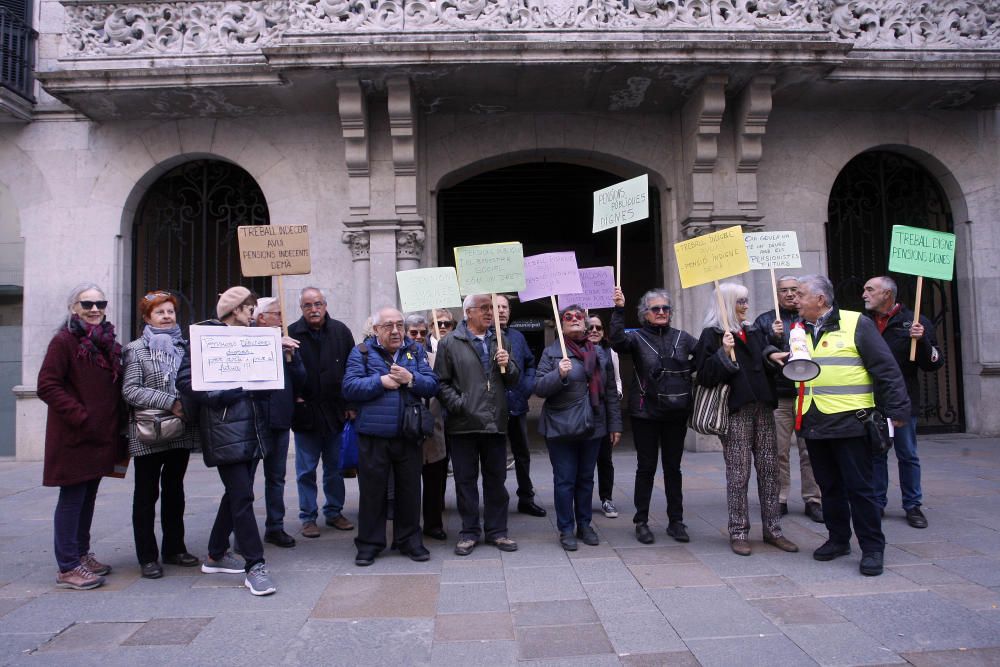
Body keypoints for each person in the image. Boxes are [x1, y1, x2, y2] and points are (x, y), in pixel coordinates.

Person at [794, 275, 909, 576]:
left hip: (851, 422)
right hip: (814, 420)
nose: (795, 299)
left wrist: (897, 409)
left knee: (860, 489)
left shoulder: (856, 323)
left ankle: (872, 548)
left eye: (801, 294)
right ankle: (838, 539)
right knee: (829, 487)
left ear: (820, 300)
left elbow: (886, 368)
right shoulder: (798, 329)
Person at [177, 286, 289, 596]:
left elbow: (266, 382)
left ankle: (215, 554)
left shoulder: (255, 338)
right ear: (235, 310)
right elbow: (185, 381)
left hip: (253, 427)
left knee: (236, 494)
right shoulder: (203, 338)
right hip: (225, 428)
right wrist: (220, 395)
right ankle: (255, 565)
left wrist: (280, 358)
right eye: (249, 307)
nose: (253, 312)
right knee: (242, 497)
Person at [695, 282, 798, 557]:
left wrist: (773, 351)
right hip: (736, 411)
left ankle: (773, 529)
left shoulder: (751, 330)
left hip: (763, 407)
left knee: (769, 470)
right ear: (727, 304)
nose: (745, 305)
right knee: (738, 474)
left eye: (746, 300)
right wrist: (722, 352)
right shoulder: (713, 334)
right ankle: (738, 531)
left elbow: (763, 357)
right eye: (740, 301)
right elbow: (704, 375)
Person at [38, 283, 125, 590]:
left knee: (87, 497)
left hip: (100, 436)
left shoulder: (106, 341)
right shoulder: (64, 341)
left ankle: (81, 554)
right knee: (72, 498)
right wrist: (80, 415)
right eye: (86, 304)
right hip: (75, 436)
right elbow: (47, 385)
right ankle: (67, 566)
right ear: (73, 308)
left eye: (100, 303)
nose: (94, 309)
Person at [343, 307, 439, 566]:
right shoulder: (361, 352)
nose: (396, 331)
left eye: (399, 325)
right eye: (388, 326)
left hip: (408, 434)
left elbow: (432, 384)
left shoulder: (415, 351)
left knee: (409, 491)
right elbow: (349, 387)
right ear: (375, 330)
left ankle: (409, 540)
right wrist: (380, 382)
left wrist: (411, 378)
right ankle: (369, 544)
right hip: (374, 435)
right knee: (372, 492)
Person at [434, 294, 521, 556]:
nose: (490, 313)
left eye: (492, 309)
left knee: (496, 480)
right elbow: (440, 383)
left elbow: (513, 380)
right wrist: (460, 404)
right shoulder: (450, 342)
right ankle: (469, 532)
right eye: (484, 308)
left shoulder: (500, 339)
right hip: (463, 424)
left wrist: (509, 366)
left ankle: (497, 531)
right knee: (465, 481)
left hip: (494, 422)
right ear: (468, 312)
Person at [122, 290, 200, 579]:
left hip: (179, 430)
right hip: (148, 432)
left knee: (175, 490)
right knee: (145, 494)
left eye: (170, 311)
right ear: (147, 317)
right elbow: (130, 390)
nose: (167, 316)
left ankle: (174, 548)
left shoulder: (185, 347)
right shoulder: (135, 349)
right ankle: (147, 556)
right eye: (160, 312)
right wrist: (171, 402)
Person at [609, 287, 696, 545]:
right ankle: (641, 521)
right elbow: (616, 341)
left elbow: (705, 356)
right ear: (645, 314)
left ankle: (676, 521)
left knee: (673, 468)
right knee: (646, 467)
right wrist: (618, 310)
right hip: (645, 412)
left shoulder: (682, 337)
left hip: (676, 412)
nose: (661, 313)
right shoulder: (636, 338)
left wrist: (722, 344)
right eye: (655, 309)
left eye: (665, 309)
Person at [535, 304, 622, 551]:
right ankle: (565, 528)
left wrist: (615, 424)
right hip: (560, 427)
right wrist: (558, 375)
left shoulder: (600, 354)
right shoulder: (552, 353)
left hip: (593, 425)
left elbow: (609, 394)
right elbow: (539, 388)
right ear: (561, 324)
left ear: (585, 323)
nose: (574, 319)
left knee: (585, 478)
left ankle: (584, 525)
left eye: (579, 317)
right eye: (568, 317)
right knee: (565, 480)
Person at [862, 275, 943, 529]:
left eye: (869, 289)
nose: (863, 294)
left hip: (903, 399)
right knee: (876, 452)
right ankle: (877, 502)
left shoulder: (915, 321)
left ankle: (913, 505)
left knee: (907, 454)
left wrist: (922, 341)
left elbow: (934, 363)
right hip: (871, 399)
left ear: (887, 294)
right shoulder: (862, 323)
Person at [752, 276, 823, 523]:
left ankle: (813, 499)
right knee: (778, 450)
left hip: (810, 394)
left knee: (810, 450)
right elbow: (758, 358)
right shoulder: (764, 320)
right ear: (777, 293)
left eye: (795, 290)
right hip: (780, 396)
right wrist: (772, 338)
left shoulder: (812, 316)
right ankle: (779, 498)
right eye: (784, 290)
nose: (790, 294)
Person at [289, 287, 356, 538]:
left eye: (318, 304)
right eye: (308, 305)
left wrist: (351, 405)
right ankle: (308, 517)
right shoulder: (291, 333)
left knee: (334, 468)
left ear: (325, 305)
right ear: (302, 309)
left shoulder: (340, 331)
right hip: (306, 412)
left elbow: (352, 369)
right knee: (306, 469)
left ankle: (334, 511)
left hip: (336, 412)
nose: (314, 309)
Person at [253, 297, 306, 548]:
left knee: (276, 477)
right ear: (261, 317)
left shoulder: (287, 342)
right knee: (243, 480)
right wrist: (273, 343)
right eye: (276, 313)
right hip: (253, 420)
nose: (281, 318)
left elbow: (300, 378)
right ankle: (241, 530)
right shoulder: (248, 338)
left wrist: (291, 357)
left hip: (280, 418)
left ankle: (275, 526)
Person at [495, 294, 546, 517]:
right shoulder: (484, 337)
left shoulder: (517, 336)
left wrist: (527, 386)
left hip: (517, 404)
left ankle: (526, 497)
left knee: (522, 454)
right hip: (493, 408)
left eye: (505, 307)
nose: (501, 311)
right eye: (496, 307)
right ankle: (497, 500)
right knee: (495, 457)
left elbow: (530, 363)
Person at [421, 309, 454, 541]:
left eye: (446, 323)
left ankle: (437, 510)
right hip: (428, 418)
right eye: (437, 323)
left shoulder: (456, 346)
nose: (442, 326)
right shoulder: (420, 349)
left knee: (443, 468)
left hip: (453, 415)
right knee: (430, 468)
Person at [587, 314, 623, 518]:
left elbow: (616, 383)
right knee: (584, 463)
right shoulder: (576, 350)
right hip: (582, 415)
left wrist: (614, 422)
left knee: (605, 460)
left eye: (598, 328)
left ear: (603, 332)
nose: (594, 331)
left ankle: (606, 498)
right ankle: (581, 499)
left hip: (603, 413)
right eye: (590, 327)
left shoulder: (611, 353)